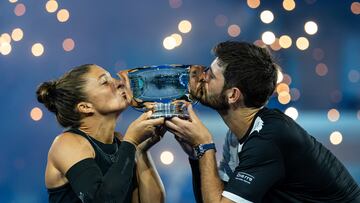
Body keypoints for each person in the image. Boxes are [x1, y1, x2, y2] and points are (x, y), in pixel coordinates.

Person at [165, 41, 360, 203]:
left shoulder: (268, 139)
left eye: (211, 76)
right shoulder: (239, 134)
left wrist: (204, 145)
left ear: (233, 95)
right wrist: (196, 154)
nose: (202, 79)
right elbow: (215, 196)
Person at [36, 64, 166, 203]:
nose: (120, 83)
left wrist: (141, 151)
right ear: (85, 107)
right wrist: (131, 143)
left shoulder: (121, 142)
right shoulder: (66, 144)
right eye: (105, 82)